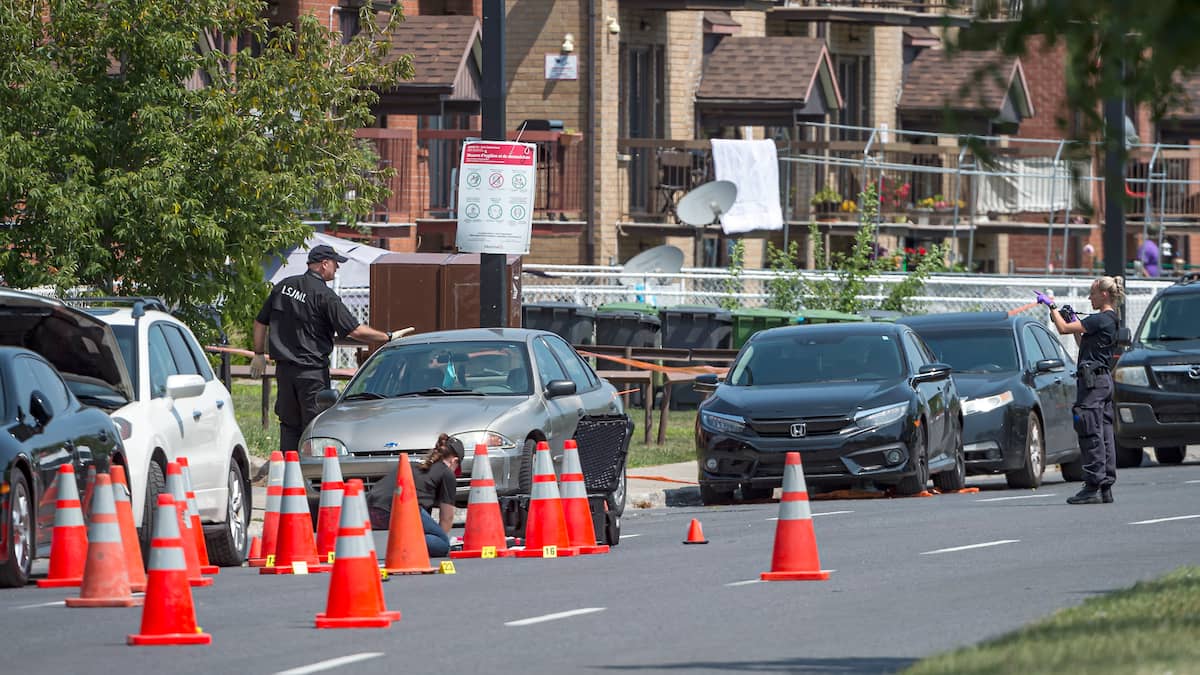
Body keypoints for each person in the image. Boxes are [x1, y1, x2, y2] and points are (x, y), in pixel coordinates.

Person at [251, 244, 412, 452]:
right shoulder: (325, 296)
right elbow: (355, 331)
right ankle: (312, 473)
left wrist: (258, 354)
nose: (337, 269)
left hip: (285, 371)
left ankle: (289, 475)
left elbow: (260, 322)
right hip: (312, 373)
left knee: (288, 425)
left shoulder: (284, 286)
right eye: (335, 264)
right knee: (314, 426)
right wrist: (386, 336)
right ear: (324, 264)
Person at [1036, 277, 1123, 504]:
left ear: (1104, 294)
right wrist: (1074, 319)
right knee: (1104, 434)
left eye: (1092, 293)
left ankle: (1092, 486)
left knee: (1089, 429)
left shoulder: (1101, 319)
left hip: (1093, 384)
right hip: (1102, 381)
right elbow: (1082, 340)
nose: (1089, 297)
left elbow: (1063, 329)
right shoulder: (1111, 320)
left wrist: (1051, 306)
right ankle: (1105, 487)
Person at [365, 434, 463, 558]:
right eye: (457, 469)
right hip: (398, 510)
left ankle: (407, 541)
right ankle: (408, 544)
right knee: (442, 545)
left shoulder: (414, 464)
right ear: (455, 461)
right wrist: (442, 539)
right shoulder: (447, 473)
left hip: (370, 509)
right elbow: (447, 518)